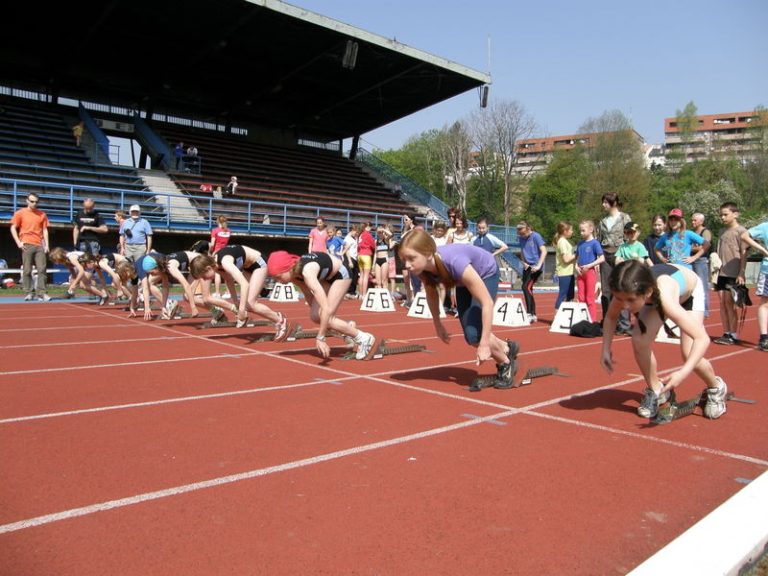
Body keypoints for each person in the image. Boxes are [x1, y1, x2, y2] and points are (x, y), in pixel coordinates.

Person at [600, 260, 728, 420]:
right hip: (656, 295)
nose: (624, 305)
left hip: (689, 292)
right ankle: (656, 390)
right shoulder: (625, 288)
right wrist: (605, 349)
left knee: (689, 353)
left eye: (631, 300)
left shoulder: (664, 296)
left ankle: (716, 387)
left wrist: (682, 373)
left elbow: (702, 339)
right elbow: (611, 317)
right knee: (640, 339)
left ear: (646, 293)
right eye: (620, 299)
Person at [398, 229, 521, 389]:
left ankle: (506, 363)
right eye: (403, 260)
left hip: (485, 272)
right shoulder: (420, 268)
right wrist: (438, 324)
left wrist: (484, 344)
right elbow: (431, 294)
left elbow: (487, 303)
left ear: (428, 253)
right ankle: (507, 347)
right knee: (471, 336)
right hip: (461, 281)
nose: (407, 265)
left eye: (411, 258)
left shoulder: (455, 261)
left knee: (476, 335)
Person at [267, 250, 379, 360]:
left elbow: (326, 308)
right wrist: (324, 321)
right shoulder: (294, 275)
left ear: (288, 269)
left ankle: (364, 338)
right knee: (315, 316)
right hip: (326, 277)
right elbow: (308, 295)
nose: (278, 281)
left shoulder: (307, 273)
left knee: (327, 316)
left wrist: (321, 337)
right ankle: (346, 327)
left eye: (278, 277)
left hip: (341, 274)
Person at [189, 245, 291, 339]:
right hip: (248, 267)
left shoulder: (225, 262)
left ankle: (281, 321)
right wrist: (236, 303)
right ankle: (277, 318)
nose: (204, 279)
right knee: (246, 304)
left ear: (208, 268)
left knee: (250, 304)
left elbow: (244, 285)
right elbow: (229, 281)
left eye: (203, 276)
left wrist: (241, 310)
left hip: (259, 264)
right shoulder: (216, 265)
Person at [712, 202, 748, 346]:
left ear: (735, 214)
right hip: (721, 272)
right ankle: (726, 332)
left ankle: (733, 333)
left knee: (730, 303)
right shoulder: (721, 231)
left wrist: (741, 272)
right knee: (722, 303)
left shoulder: (741, 231)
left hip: (733, 272)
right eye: (721, 215)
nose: (723, 217)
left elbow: (744, 254)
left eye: (725, 214)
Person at [598, 192, 632, 332]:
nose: (603, 205)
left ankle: (624, 324)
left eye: (606, 202)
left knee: (621, 288)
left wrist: (628, 255)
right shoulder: (602, 221)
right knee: (606, 290)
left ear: (613, 203)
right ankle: (608, 321)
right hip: (605, 255)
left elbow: (630, 236)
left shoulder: (625, 217)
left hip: (620, 254)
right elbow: (599, 240)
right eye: (603, 202)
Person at [9, 192, 50, 301]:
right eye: (32, 201)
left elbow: (45, 230)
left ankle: (41, 293)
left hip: (39, 244)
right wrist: (18, 242)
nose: (34, 203)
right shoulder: (20, 213)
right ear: (27, 201)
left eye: (36, 202)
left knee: (42, 269)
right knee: (27, 270)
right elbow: (13, 227)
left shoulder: (42, 214)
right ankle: (29, 292)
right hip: (26, 244)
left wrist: (46, 245)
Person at [741, 221, 768, 352]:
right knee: (765, 303)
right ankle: (764, 337)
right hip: (767, 270)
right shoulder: (765, 227)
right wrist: (762, 249)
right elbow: (745, 235)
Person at [574, 220, 605, 323]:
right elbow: (576, 258)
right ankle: (582, 319)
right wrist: (576, 266)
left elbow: (602, 258)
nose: (581, 233)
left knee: (589, 298)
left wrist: (589, 265)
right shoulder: (580, 243)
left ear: (591, 230)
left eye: (583, 230)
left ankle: (591, 320)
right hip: (580, 273)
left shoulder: (595, 243)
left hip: (590, 272)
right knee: (581, 297)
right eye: (580, 231)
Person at [516, 220, 546, 323]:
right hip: (527, 267)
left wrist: (538, 265)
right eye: (520, 234)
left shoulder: (536, 236)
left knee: (525, 287)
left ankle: (529, 313)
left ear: (528, 229)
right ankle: (533, 314)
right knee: (529, 289)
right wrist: (523, 261)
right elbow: (522, 250)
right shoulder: (520, 238)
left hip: (536, 267)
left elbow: (544, 251)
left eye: (523, 233)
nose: (522, 235)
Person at [690, 212, 713, 317]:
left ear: (701, 221)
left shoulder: (705, 232)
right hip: (691, 260)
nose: (692, 222)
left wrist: (690, 248)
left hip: (701, 261)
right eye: (692, 220)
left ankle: (705, 311)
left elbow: (705, 246)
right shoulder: (692, 232)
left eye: (695, 220)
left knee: (702, 285)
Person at [553, 221, 576, 311]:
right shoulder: (562, 242)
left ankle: (567, 317)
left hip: (570, 272)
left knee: (570, 295)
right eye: (571, 230)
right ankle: (556, 318)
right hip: (564, 273)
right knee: (563, 295)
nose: (572, 232)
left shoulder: (565, 241)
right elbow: (566, 259)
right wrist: (577, 255)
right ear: (565, 231)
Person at [357, 221, 376, 296]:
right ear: (368, 227)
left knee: (361, 275)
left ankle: (361, 294)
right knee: (366, 276)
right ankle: (364, 294)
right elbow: (373, 246)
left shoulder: (360, 234)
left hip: (360, 255)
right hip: (366, 255)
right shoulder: (368, 234)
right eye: (370, 227)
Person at [341, 225, 359, 299]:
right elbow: (347, 250)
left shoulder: (355, 238)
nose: (356, 233)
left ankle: (352, 292)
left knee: (355, 276)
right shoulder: (347, 238)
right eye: (355, 231)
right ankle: (346, 292)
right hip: (350, 258)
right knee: (349, 275)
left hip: (355, 258)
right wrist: (349, 261)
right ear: (351, 230)